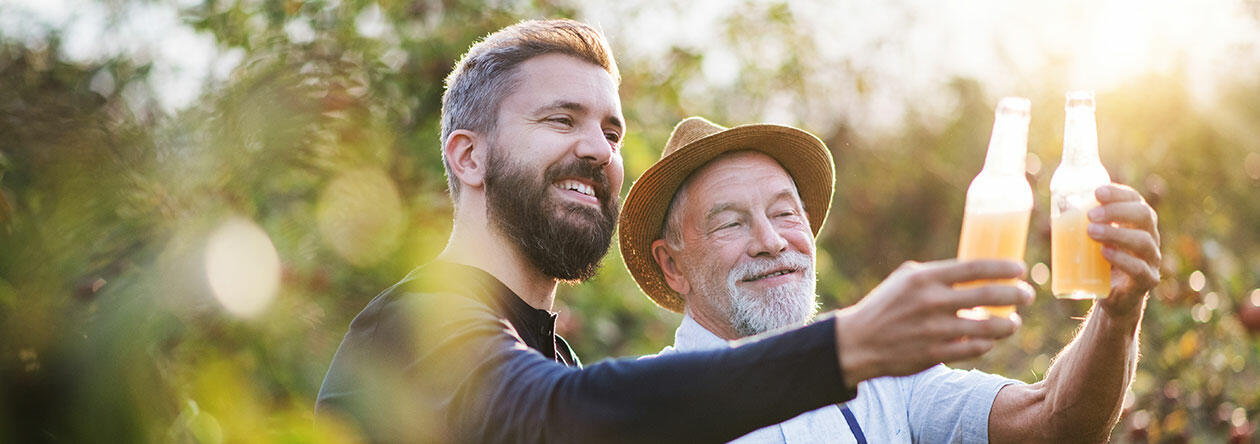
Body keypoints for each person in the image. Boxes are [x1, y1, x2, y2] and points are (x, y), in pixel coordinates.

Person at [317, 19, 1031, 443]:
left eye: (611, 129)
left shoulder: (551, 356)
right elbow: (565, 418)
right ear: (469, 156)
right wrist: (845, 347)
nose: (598, 148)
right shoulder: (415, 322)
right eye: (561, 120)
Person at [621, 116, 1162, 443]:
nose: (771, 240)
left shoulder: (886, 382)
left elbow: (1055, 424)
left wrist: (1117, 315)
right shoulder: (636, 406)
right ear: (673, 265)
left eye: (786, 214)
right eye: (732, 223)